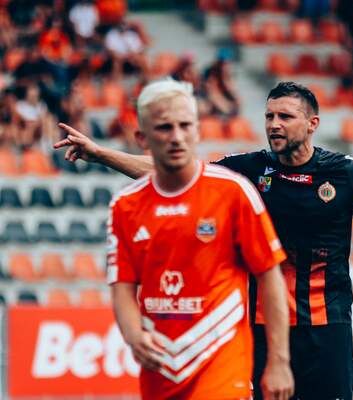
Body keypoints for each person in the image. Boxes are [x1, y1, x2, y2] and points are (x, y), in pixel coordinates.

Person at [54, 81, 353, 400]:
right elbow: (173, 172)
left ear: (312, 124)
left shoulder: (348, 175)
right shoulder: (247, 171)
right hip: (262, 329)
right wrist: (100, 154)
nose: (274, 124)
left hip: (327, 329)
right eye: (269, 116)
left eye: (285, 116)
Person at [101, 80, 294, 400]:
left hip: (221, 362)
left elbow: (270, 275)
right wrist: (134, 335)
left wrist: (279, 360)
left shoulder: (233, 192)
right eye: (164, 128)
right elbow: (122, 285)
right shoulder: (125, 206)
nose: (176, 137)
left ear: (198, 131)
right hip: (161, 366)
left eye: (185, 126)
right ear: (142, 138)